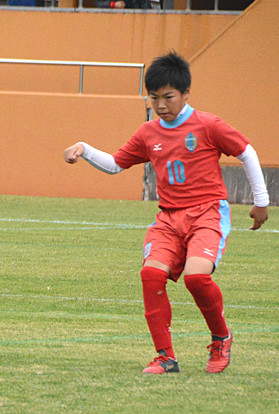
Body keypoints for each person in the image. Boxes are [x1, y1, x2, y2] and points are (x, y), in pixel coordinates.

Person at [62, 52, 269, 374]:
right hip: (169, 218)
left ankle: (221, 337)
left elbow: (247, 152)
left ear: (186, 93)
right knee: (151, 275)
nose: (161, 105)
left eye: (168, 97)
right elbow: (117, 164)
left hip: (207, 214)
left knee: (197, 278)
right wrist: (84, 149)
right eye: (154, 97)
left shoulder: (207, 125)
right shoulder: (148, 133)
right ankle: (165, 357)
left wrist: (261, 201)